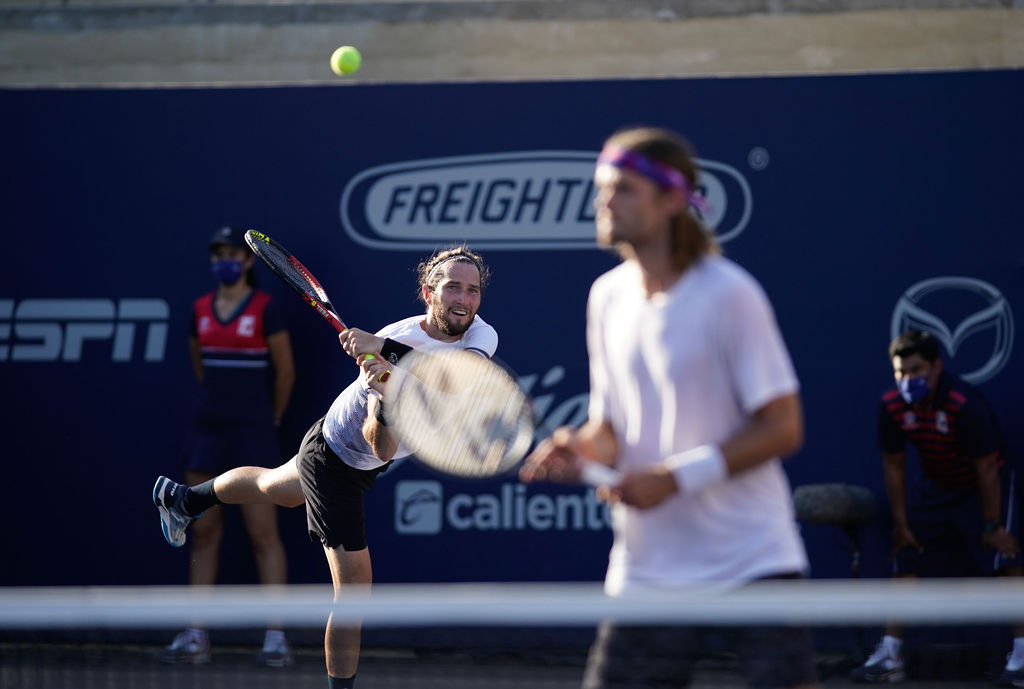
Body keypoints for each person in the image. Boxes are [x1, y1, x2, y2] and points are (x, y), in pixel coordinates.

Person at [520, 126, 819, 689]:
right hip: (649, 565)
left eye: (623, 189)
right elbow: (611, 426)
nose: (604, 201)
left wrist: (674, 478)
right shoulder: (606, 297)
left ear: (673, 200)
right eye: (602, 188)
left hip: (751, 557)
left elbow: (783, 427)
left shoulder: (729, 294)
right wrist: (582, 448)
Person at [153, 245, 496, 689]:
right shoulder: (398, 337)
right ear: (428, 293)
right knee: (353, 595)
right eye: (452, 288)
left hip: (350, 455)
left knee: (275, 488)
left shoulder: (479, 334)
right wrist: (387, 404)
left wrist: (383, 351)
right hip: (336, 458)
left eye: (472, 290)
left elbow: (459, 377)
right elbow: (382, 448)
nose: (464, 299)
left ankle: (183, 499)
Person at [159, 225, 297, 667]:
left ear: (249, 260)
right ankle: (196, 635)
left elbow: (286, 372)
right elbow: (202, 368)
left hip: (254, 433)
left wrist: (268, 420)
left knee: (263, 534)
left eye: (233, 254)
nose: (225, 261)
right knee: (202, 530)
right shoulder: (199, 310)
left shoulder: (264, 309)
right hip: (207, 431)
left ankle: (275, 637)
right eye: (218, 254)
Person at [852, 330, 1023, 684]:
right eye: (901, 372)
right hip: (935, 487)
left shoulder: (963, 403)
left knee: (1006, 560)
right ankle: (890, 654)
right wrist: (902, 525)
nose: (908, 380)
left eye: (916, 370)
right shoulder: (892, 405)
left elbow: (987, 468)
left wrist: (992, 526)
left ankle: (1023, 653)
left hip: (982, 487)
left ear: (936, 367)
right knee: (906, 556)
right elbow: (894, 466)